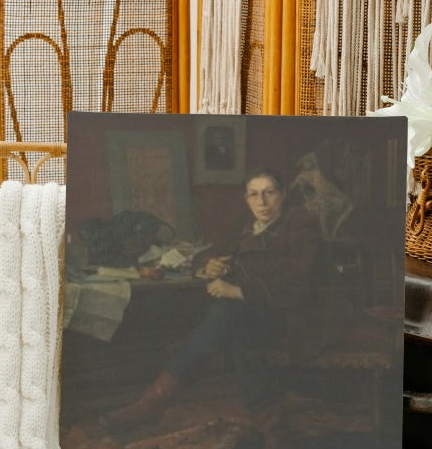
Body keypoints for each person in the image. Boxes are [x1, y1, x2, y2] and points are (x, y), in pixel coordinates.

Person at [104, 168, 325, 431]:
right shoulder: (247, 225)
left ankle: (153, 403)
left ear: (283, 195)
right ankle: (271, 422)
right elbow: (207, 252)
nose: (262, 203)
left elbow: (300, 285)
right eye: (254, 195)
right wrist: (208, 266)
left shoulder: (299, 223)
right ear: (246, 199)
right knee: (233, 324)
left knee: (227, 315)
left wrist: (237, 291)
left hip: (298, 316)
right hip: (254, 315)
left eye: (269, 193)